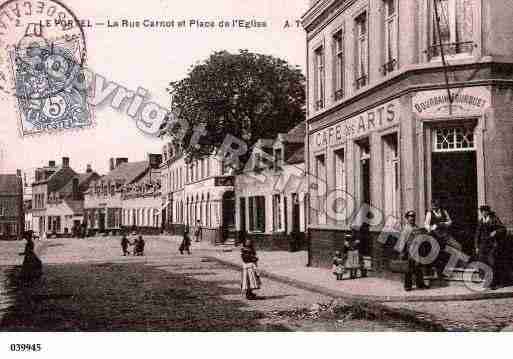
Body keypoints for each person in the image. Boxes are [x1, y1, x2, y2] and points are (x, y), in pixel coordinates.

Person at [474, 205, 507, 289]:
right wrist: (477, 246)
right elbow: (477, 234)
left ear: (488, 211)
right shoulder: (481, 221)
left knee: (492, 262)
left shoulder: (494, 219)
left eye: (484, 211)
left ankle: (494, 283)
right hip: (483, 245)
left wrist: (495, 232)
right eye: (481, 211)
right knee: (482, 262)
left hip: (492, 245)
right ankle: (486, 281)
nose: (482, 213)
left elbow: (503, 229)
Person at [424, 199, 454, 279]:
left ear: (438, 205)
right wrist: (432, 227)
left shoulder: (444, 212)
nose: (434, 207)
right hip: (434, 235)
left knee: (444, 253)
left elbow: (450, 221)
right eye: (433, 205)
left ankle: (443, 272)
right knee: (435, 253)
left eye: (436, 205)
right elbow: (426, 225)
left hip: (443, 235)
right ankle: (436, 272)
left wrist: (444, 223)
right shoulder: (429, 213)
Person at [401, 210, 428, 291]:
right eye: (410, 217)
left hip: (417, 251)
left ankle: (420, 284)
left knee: (418, 268)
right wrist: (402, 252)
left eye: (413, 217)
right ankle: (407, 286)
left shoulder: (416, 227)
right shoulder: (406, 228)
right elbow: (402, 241)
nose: (412, 218)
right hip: (410, 251)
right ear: (407, 218)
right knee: (409, 269)